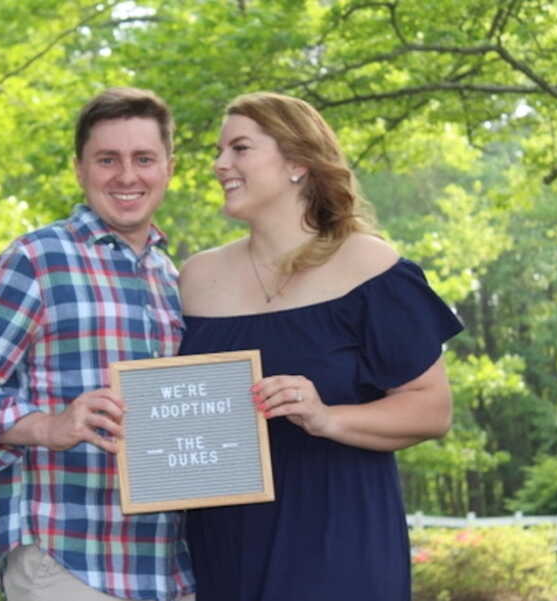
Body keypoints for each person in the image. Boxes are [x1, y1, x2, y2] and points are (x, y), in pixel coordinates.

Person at [177, 92, 464, 601]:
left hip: (340, 543)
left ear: (297, 163)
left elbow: (432, 408)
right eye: (219, 152)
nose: (220, 165)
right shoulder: (195, 279)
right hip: (223, 549)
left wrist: (328, 417)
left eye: (240, 148)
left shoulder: (368, 266)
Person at [0, 87, 194, 601]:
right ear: (79, 169)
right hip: (67, 562)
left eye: (143, 159)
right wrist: (49, 425)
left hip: (168, 569)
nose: (127, 176)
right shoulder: (37, 259)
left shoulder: (175, 279)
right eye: (107, 159)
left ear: (169, 168)